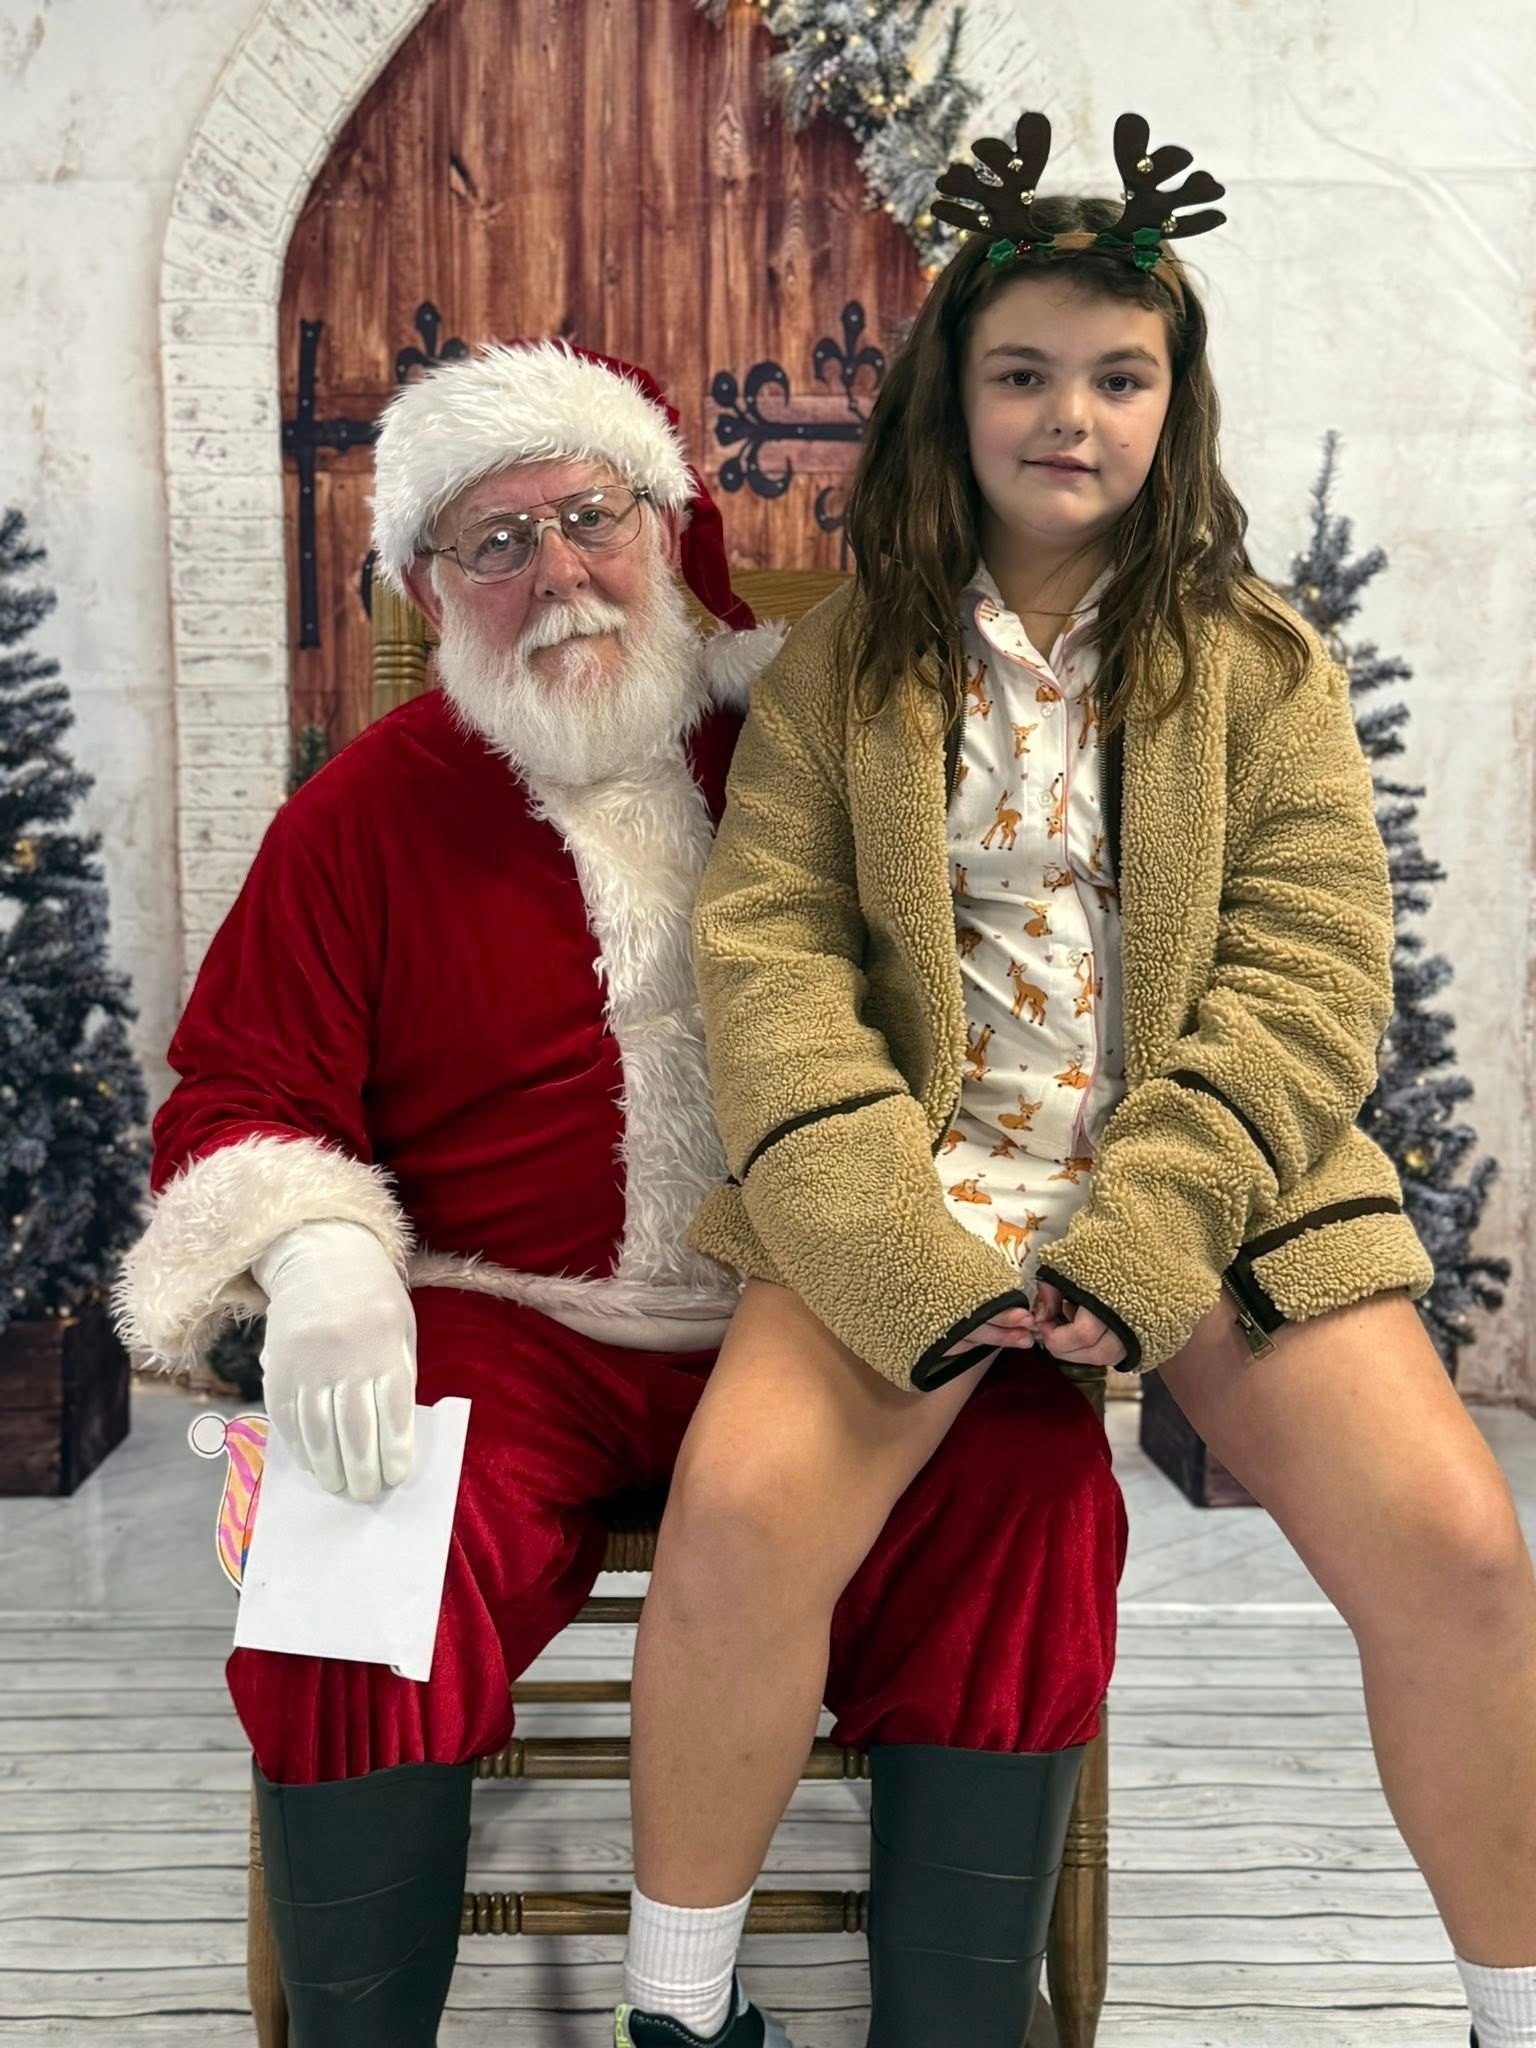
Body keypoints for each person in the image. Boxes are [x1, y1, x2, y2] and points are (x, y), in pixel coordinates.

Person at [113, 338, 1126, 2048]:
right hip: (511, 1324)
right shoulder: (362, 819)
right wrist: (320, 1257)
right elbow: (239, 1089)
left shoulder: (826, 755)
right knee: (352, 1540)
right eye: (496, 542)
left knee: (1025, 1485)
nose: (558, 575)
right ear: (430, 590)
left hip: (832, 1300)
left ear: (668, 529)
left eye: (589, 517)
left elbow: (1033, 981)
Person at [678, 110, 1536, 2048]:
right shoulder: (842, 672)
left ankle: (1515, 2007)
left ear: (1173, 403)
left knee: (1464, 1553)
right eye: (1024, 373)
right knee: (738, 1527)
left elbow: (1312, 969)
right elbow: (773, 961)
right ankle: (678, 2003)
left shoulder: (1261, 664)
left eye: (1118, 377)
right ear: (953, 398)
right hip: (919, 1176)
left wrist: (1154, 1225)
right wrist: (880, 1237)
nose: (1071, 414)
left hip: (1206, 1186)